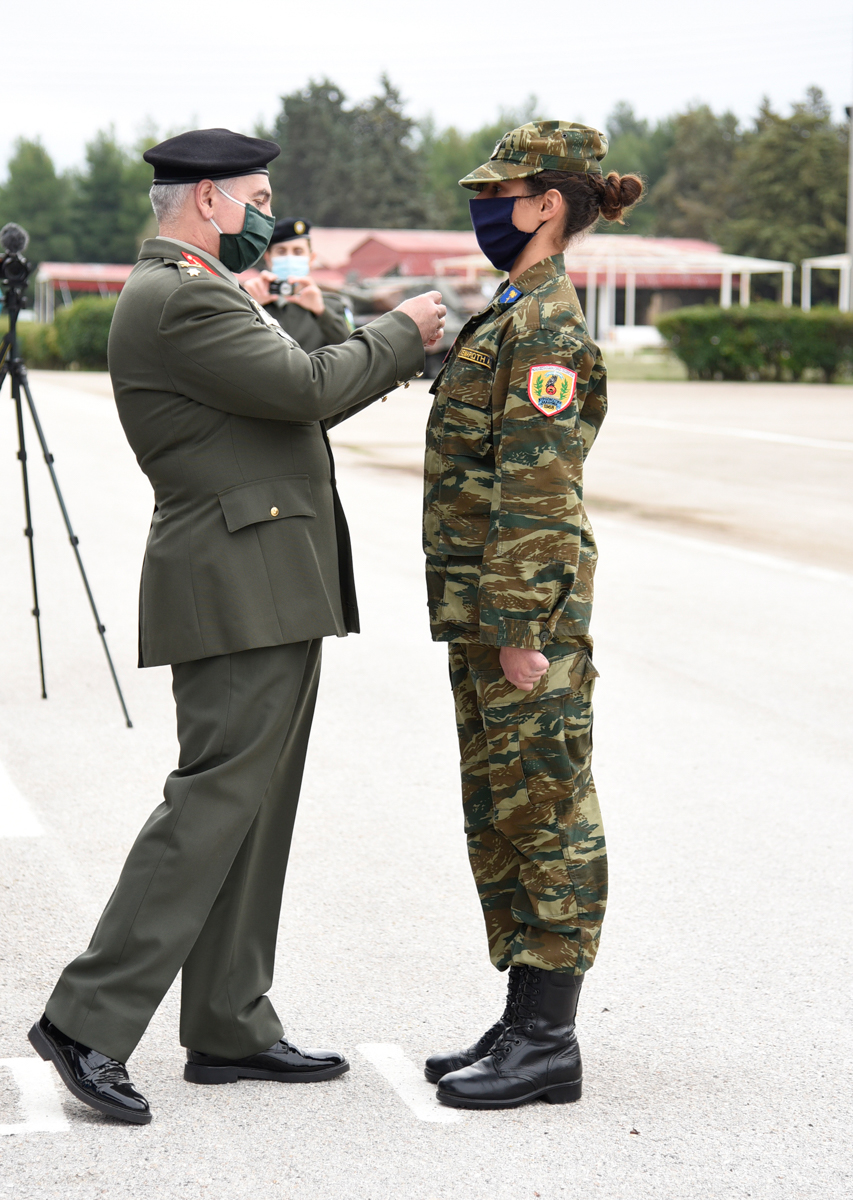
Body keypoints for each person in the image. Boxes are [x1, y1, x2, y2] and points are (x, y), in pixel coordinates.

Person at [27, 127, 445, 1125]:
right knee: (211, 805)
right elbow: (308, 390)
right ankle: (87, 1020)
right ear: (209, 199)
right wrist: (405, 331)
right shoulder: (181, 296)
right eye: (256, 193)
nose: (267, 211)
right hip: (234, 579)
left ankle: (228, 1021)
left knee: (252, 813)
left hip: (265, 576)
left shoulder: (201, 293)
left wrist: (357, 344)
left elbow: (287, 399)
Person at [421, 121, 642, 1109]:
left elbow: (540, 489)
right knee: (504, 807)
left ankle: (550, 1041)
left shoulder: (547, 326)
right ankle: (523, 1020)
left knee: (546, 807)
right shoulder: (514, 310)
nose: (484, 209)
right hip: (485, 607)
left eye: (499, 192)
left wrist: (520, 627)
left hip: (520, 615)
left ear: (547, 203)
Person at [242, 217, 353, 353]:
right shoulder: (253, 300)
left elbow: (352, 353)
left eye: (298, 252)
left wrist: (322, 313)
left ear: (311, 259)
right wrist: (248, 304)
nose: (289, 258)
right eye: (281, 252)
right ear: (268, 258)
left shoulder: (332, 306)